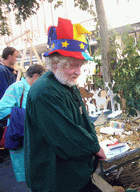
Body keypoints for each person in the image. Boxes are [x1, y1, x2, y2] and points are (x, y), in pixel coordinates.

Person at [24, 17, 106, 192]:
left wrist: (93, 143)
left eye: (80, 65)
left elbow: (82, 119)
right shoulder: (44, 92)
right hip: (56, 180)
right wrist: (94, 146)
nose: (78, 71)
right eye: (73, 65)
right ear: (55, 63)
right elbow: (67, 139)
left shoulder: (66, 81)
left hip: (72, 176)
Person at [0, 64, 47, 180]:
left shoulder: (36, 89)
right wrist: (23, 116)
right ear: (36, 76)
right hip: (21, 134)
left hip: (36, 136)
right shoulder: (18, 87)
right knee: (28, 172)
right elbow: (2, 108)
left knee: (39, 171)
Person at [0, 47, 19, 130]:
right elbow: (5, 93)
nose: (16, 59)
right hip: (4, 114)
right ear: (9, 56)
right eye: (15, 56)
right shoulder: (2, 71)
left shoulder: (7, 70)